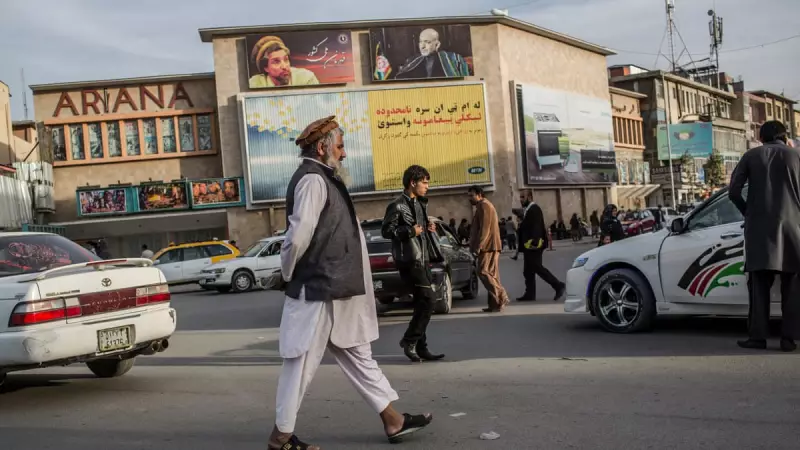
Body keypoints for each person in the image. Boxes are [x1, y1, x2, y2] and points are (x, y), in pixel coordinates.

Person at [269, 116, 432, 449]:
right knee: (300, 362)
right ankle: (281, 437)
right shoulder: (313, 181)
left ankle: (393, 421)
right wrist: (287, 273)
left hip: (337, 289)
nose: (344, 154)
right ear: (322, 148)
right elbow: (298, 235)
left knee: (358, 354)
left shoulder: (324, 178)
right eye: (340, 147)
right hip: (318, 290)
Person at [729, 120, 800, 353]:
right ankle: (788, 339)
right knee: (792, 286)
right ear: (784, 135)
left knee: (758, 286)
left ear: (761, 137)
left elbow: (733, 192)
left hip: (759, 230)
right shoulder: (796, 155)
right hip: (793, 229)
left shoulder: (751, 156)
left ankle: (757, 338)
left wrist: (748, 212)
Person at [382, 165, 446, 363]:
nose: (427, 186)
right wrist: (410, 232)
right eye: (424, 182)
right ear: (413, 182)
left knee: (422, 302)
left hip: (423, 258)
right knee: (429, 300)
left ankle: (421, 347)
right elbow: (386, 231)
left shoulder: (420, 204)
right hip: (409, 260)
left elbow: (419, 230)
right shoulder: (397, 205)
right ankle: (409, 340)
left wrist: (428, 228)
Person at [516, 190, 566, 302]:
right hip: (529, 245)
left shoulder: (534, 209)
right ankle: (530, 294)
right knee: (528, 270)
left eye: (523, 197)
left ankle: (558, 285)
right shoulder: (528, 210)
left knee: (537, 267)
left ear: (530, 197)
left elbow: (536, 227)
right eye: (520, 197)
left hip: (533, 245)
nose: (521, 199)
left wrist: (534, 242)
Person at [467, 186, 510, 313]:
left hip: (488, 246)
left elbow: (485, 228)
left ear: (479, 194)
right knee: (492, 275)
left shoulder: (484, 205)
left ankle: (501, 295)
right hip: (490, 245)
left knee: (483, 271)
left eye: (471, 195)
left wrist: (479, 246)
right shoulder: (483, 206)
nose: (469, 198)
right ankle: (495, 304)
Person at [391, 28, 471, 80]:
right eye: (420, 42)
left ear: (437, 44)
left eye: (427, 42)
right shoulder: (412, 61)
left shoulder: (453, 59)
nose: (422, 46)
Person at [249, 36, 320, 88]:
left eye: (286, 59)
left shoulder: (306, 79)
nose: (284, 66)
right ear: (266, 68)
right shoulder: (255, 84)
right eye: (276, 61)